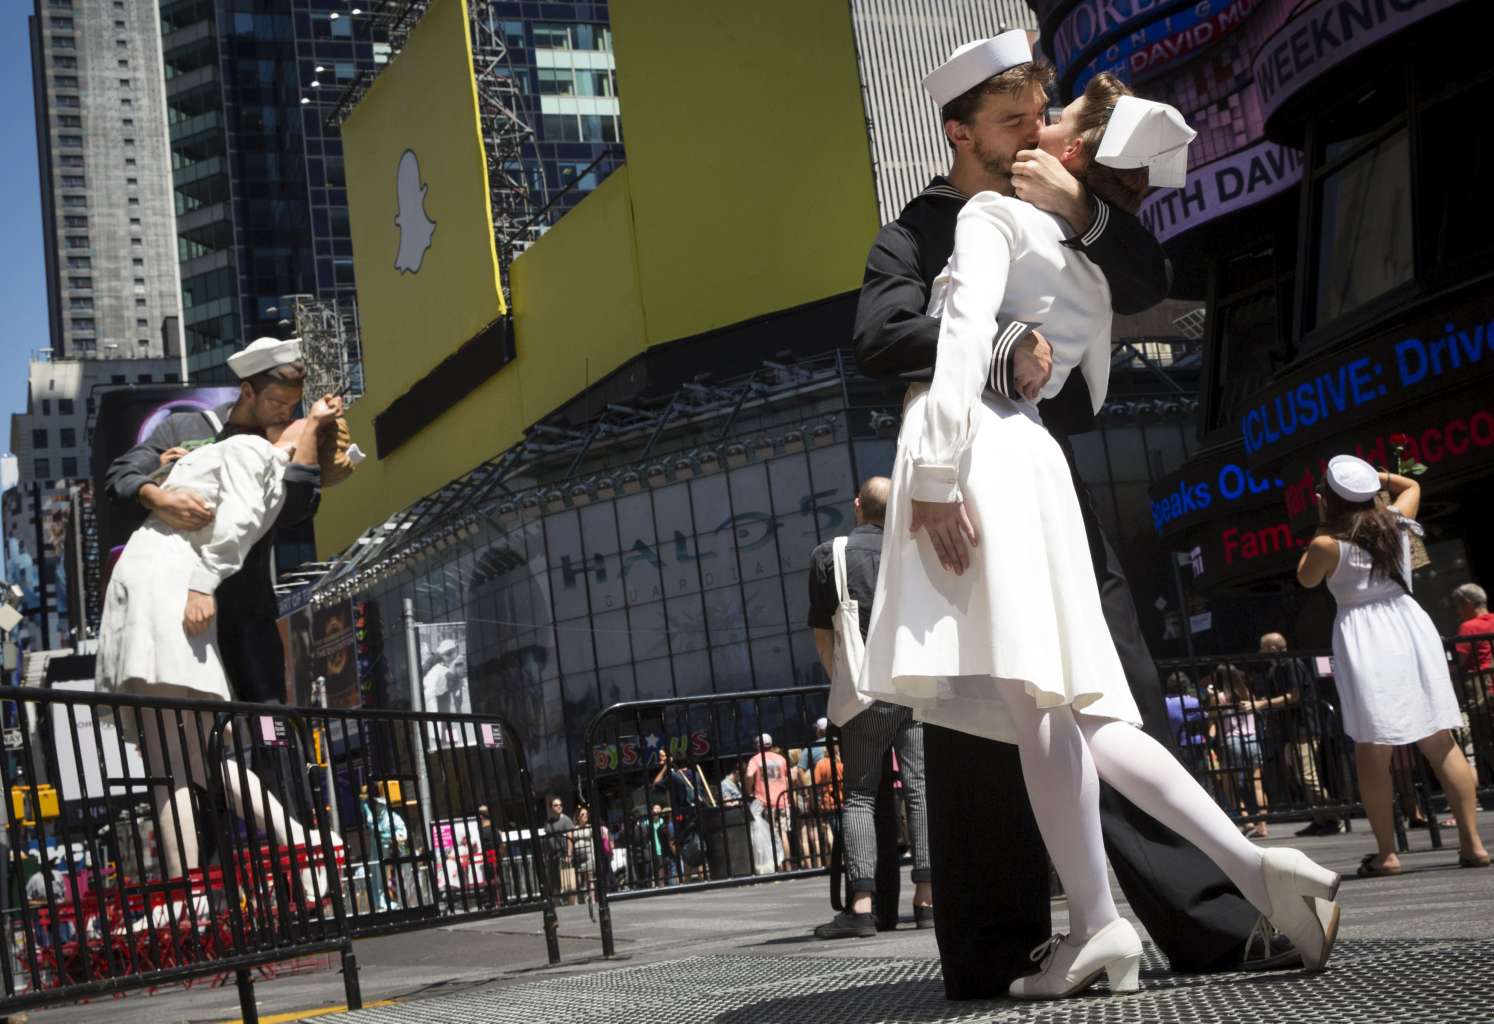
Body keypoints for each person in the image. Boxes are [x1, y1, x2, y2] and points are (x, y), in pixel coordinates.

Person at [857, 66, 1345, 996]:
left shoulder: (1045, 213)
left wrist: (1077, 213)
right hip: (1007, 461)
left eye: (1043, 115)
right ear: (961, 131)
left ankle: (1185, 918)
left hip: (1005, 471)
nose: (1032, 130)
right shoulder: (920, 228)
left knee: (1083, 697)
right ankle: (1043, 934)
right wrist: (1006, 350)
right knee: (1046, 712)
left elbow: (1141, 283)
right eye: (1014, 118)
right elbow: (884, 337)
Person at [97, 404, 354, 908]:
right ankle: (297, 846)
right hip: (169, 597)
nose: (291, 411)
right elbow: (126, 477)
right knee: (196, 763)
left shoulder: (253, 454)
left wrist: (200, 582)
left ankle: (189, 894)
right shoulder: (234, 447)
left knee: (176, 765)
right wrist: (163, 476)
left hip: (168, 598)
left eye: (300, 415)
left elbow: (233, 530)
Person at [105, 337, 334, 705]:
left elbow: (296, 511)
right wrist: (158, 496)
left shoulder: (287, 441)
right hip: (178, 606)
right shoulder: (186, 428)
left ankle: (271, 746)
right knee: (191, 718)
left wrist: (307, 438)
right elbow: (120, 476)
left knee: (268, 719)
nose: (285, 414)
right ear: (247, 391)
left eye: (293, 406)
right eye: (277, 403)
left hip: (247, 609)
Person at [1296, 456, 1491, 875]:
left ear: (1329, 499)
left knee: (1372, 746)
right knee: (1440, 740)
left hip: (1364, 636)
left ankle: (1387, 853)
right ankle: (1473, 844)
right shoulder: (1397, 523)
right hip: (1410, 625)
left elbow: (1306, 578)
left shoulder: (1326, 543)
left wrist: (1322, 519)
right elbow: (1412, 487)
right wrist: (1378, 476)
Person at [807, 477, 933, 939]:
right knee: (920, 790)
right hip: (913, 685)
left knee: (860, 795)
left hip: (864, 691)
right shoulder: (915, 549)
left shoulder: (830, 556)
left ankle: (861, 906)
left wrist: (841, 680)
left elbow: (824, 637)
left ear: (857, 504)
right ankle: (927, 900)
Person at [1256, 634, 1342, 837]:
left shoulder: (1291, 664)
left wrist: (1262, 704)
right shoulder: (1276, 669)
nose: (1260, 652)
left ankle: (1334, 818)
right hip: (1290, 730)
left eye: (1263, 648)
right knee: (1301, 777)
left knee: (1307, 776)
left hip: (1304, 727)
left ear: (1273, 648)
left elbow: (1294, 696)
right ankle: (1320, 819)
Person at [1207, 665, 1269, 838]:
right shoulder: (1247, 694)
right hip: (1252, 739)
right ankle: (1262, 826)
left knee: (1231, 786)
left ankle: (1247, 821)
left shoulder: (1219, 697)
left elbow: (1212, 719)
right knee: (1257, 785)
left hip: (1232, 741)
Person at [1452, 583, 1494, 791]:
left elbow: (1460, 661)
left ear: (1468, 603)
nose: (1458, 612)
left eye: (1459, 606)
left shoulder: (1468, 627)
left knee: (1486, 738)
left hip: (1482, 689)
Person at [744, 734, 791, 871]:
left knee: (769, 834)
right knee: (783, 833)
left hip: (764, 802)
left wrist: (749, 790)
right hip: (781, 800)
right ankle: (788, 865)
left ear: (758, 746)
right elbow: (787, 778)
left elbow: (749, 775)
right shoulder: (781, 759)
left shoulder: (755, 760)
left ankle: (776, 865)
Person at [544, 796, 577, 902]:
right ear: (551, 808)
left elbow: (570, 838)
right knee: (554, 882)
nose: (559, 807)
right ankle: (557, 905)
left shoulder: (566, 820)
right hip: (552, 856)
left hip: (563, 854)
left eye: (560, 805)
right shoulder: (548, 822)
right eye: (556, 805)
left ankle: (572, 905)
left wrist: (569, 854)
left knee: (568, 882)